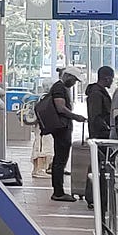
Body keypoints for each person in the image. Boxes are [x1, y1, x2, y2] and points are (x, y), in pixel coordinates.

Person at [36, 72, 79, 201]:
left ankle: (58, 191)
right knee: (60, 159)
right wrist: (76, 116)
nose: (74, 83)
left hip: (61, 127)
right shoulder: (59, 88)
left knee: (60, 159)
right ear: (67, 76)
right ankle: (58, 192)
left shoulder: (60, 87)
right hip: (61, 128)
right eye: (73, 79)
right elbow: (60, 108)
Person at [85, 66, 114, 141]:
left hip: (101, 133)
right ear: (107, 78)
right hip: (100, 134)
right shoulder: (96, 93)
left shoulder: (99, 92)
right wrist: (107, 129)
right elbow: (95, 115)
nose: (112, 81)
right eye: (112, 78)